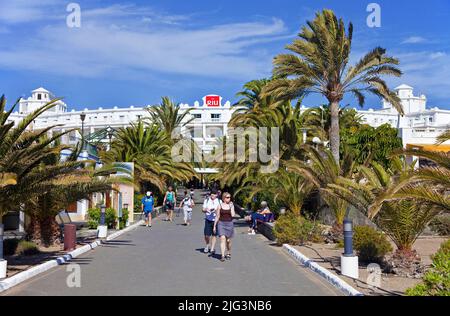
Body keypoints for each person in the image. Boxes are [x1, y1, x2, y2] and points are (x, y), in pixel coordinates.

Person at [213, 192, 235, 262]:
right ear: (224, 198)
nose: (229, 199)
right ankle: (222, 255)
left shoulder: (231, 205)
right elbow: (217, 216)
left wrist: (231, 207)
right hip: (221, 224)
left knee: (228, 241)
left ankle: (228, 252)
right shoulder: (219, 205)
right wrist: (214, 226)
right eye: (227, 197)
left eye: (229, 197)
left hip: (229, 224)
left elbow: (233, 215)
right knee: (222, 239)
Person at [202, 189, 220, 254]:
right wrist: (206, 209)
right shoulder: (207, 200)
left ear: (217, 195)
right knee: (206, 235)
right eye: (212, 193)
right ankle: (207, 245)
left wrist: (216, 211)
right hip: (208, 220)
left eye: (214, 194)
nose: (213, 195)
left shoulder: (219, 201)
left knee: (214, 235)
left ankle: (212, 248)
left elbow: (220, 210)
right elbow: (203, 209)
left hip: (216, 220)